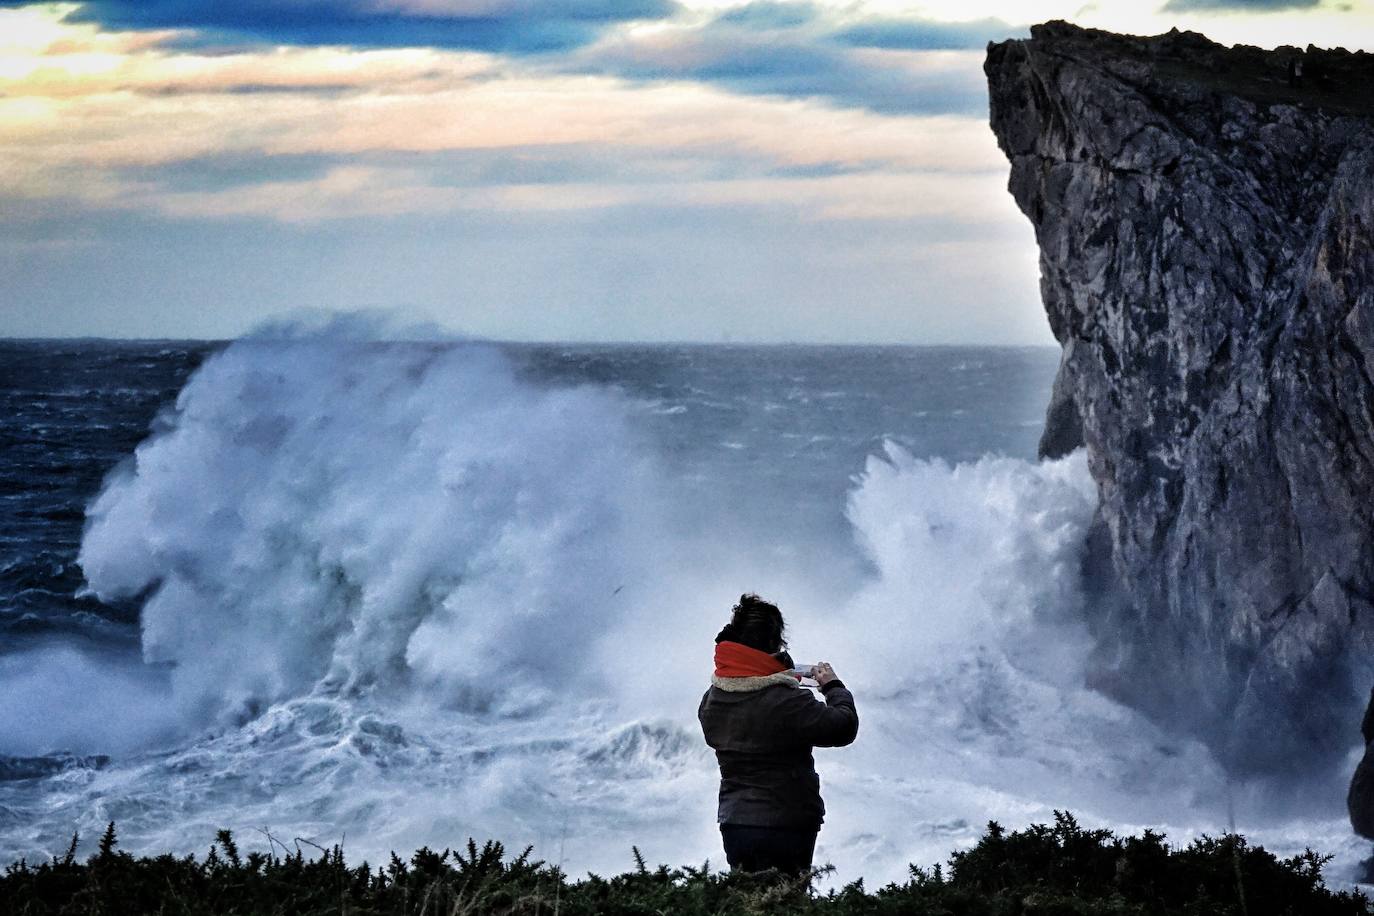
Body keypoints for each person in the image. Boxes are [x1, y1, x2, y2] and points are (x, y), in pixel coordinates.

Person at [697, 593, 858, 876]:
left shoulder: (713, 698)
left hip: (736, 822)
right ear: (774, 644)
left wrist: (779, 675)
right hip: (786, 823)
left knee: (750, 903)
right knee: (787, 901)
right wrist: (833, 686)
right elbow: (842, 727)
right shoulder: (785, 701)